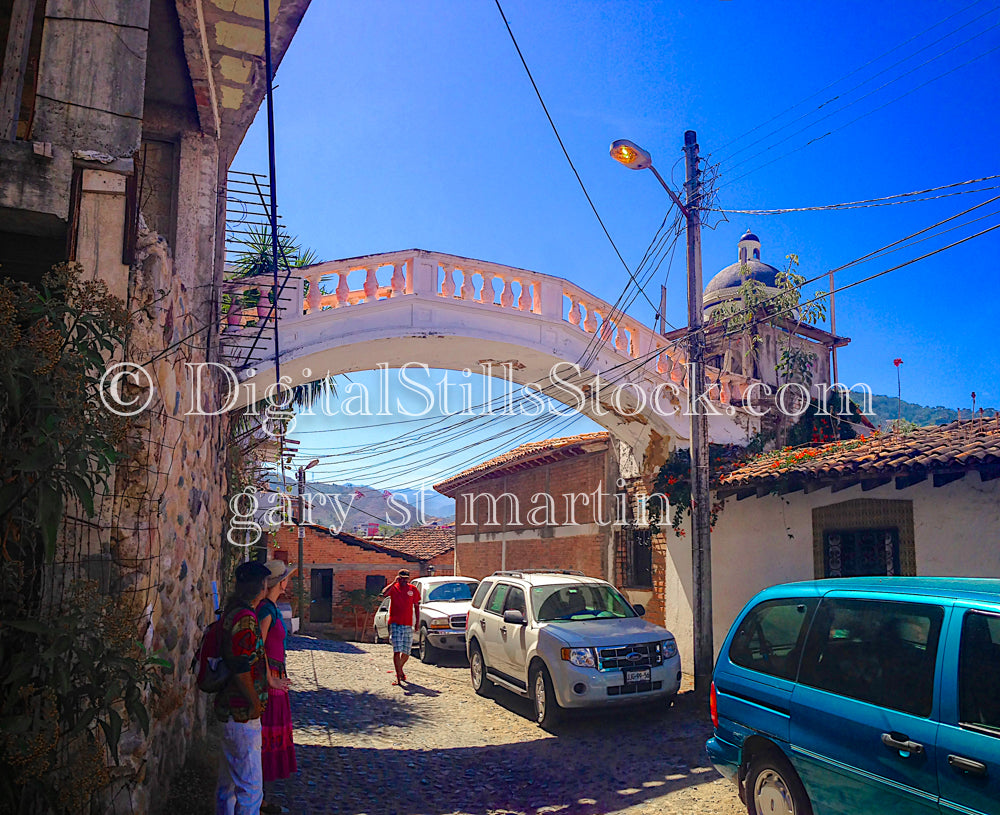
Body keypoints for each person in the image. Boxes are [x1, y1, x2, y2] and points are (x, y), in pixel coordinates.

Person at [215, 560, 271, 815]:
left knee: (227, 785)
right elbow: (241, 666)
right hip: (241, 712)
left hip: (228, 709)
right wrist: (254, 703)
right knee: (250, 790)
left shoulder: (231, 612)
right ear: (261, 587)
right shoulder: (246, 620)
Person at [256, 560, 297, 814]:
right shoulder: (265, 611)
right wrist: (269, 678)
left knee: (269, 735)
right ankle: (257, 801)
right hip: (269, 678)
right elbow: (256, 645)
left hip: (275, 674)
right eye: (287, 578)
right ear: (280, 582)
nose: (288, 582)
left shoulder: (270, 608)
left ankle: (260, 797)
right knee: (264, 737)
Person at [380, 569, 420, 684]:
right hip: (395, 623)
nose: (403, 580)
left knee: (406, 652)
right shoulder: (394, 588)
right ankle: (398, 678)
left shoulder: (413, 589)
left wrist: (417, 622)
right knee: (397, 650)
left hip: (407, 623)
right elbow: (384, 594)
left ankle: (400, 669)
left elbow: (416, 606)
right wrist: (393, 582)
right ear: (398, 577)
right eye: (401, 578)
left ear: (408, 578)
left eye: (405, 578)